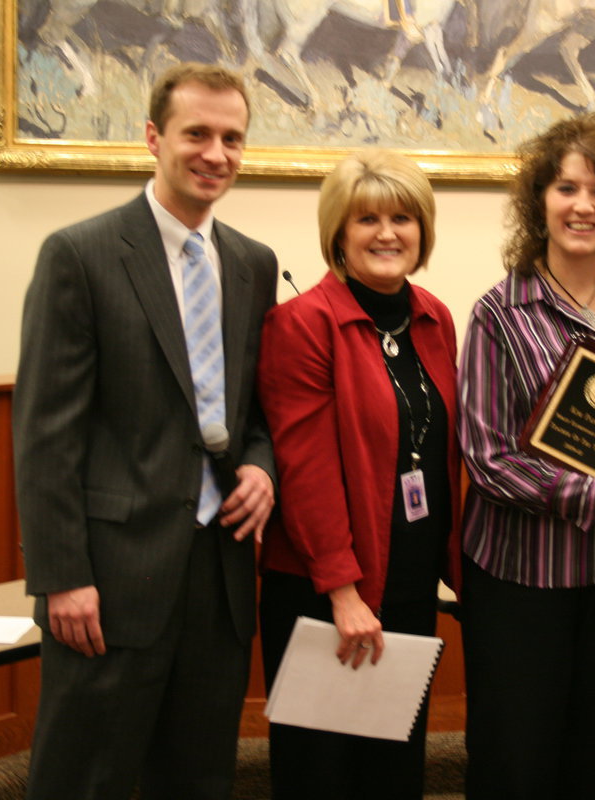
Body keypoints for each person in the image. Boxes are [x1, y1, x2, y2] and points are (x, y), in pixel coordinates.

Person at [13, 62, 278, 800]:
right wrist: (63, 576)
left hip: (217, 572)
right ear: (154, 137)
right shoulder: (81, 255)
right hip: (109, 578)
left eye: (232, 138)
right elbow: (45, 435)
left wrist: (262, 467)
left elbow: (253, 413)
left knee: (197, 778)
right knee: (85, 779)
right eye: (197, 133)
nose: (215, 153)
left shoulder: (253, 264)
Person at [457, 113, 595, 800]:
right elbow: (487, 456)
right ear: (538, 201)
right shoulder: (499, 312)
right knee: (513, 756)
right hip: (524, 581)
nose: (584, 205)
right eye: (567, 187)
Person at [256, 149, 461, 800]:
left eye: (403, 217)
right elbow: (305, 470)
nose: (387, 233)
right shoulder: (303, 323)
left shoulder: (433, 315)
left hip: (405, 581)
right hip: (325, 592)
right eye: (366, 218)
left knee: (393, 770)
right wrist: (344, 593)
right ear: (338, 234)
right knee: (323, 779)